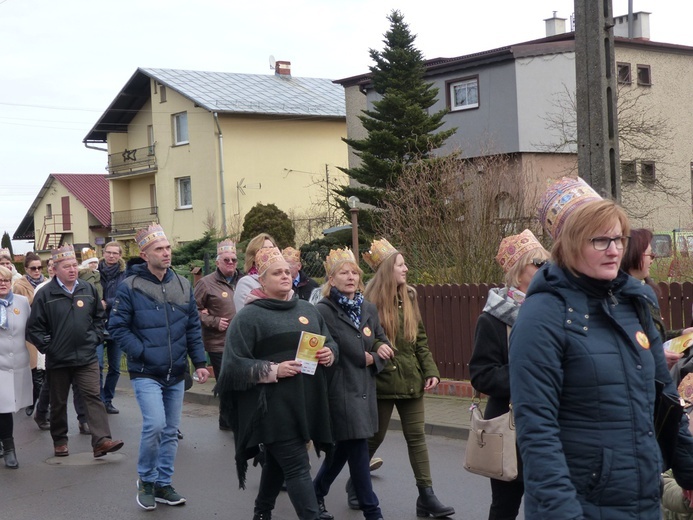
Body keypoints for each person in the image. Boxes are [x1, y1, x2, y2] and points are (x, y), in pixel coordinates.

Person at [510, 194, 693, 518]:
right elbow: (537, 430)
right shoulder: (542, 315)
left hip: (641, 498)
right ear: (569, 244)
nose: (614, 249)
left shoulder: (633, 304)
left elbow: (664, 398)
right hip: (580, 504)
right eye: (600, 240)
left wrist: (689, 470)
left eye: (619, 238)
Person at [216, 246, 337, 520]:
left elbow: (330, 343)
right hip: (270, 408)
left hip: (304, 403)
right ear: (262, 280)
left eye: (287, 271)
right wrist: (274, 370)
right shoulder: (249, 317)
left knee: (278, 462)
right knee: (297, 465)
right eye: (277, 272)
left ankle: (261, 512)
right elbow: (232, 368)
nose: (285, 276)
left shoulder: (308, 310)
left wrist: (330, 354)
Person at [109, 223, 210, 511]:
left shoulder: (182, 284)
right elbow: (117, 328)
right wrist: (142, 352)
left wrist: (199, 362)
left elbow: (192, 326)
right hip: (146, 372)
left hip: (176, 371)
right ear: (144, 254)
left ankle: (164, 483)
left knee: (170, 430)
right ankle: (146, 480)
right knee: (155, 424)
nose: (166, 253)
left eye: (168, 248)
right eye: (159, 249)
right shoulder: (129, 286)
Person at [359, 238, 454, 518]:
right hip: (382, 381)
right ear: (389, 269)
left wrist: (431, 371)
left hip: (412, 380)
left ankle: (426, 496)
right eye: (401, 265)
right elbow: (364, 340)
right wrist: (377, 348)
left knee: (417, 438)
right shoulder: (369, 302)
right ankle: (358, 482)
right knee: (373, 439)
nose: (406, 268)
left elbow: (419, 340)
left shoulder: (410, 296)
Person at [469, 229, 550, 520]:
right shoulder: (492, 319)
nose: (545, 269)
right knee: (505, 508)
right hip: (511, 429)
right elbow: (482, 376)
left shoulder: (553, 311)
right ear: (517, 272)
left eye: (546, 263)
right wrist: (529, 374)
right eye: (537, 264)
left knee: (547, 507)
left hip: (551, 426)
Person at [313, 248, 393, 520]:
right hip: (339, 389)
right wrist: (365, 356)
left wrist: (379, 354)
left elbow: (381, 340)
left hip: (364, 391)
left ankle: (315, 493)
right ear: (331, 279)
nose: (350, 277)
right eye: (343, 273)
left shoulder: (368, 308)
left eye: (354, 272)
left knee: (341, 450)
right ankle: (373, 511)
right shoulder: (323, 311)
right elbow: (338, 348)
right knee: (358, 452)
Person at [26, 244, 123, 459]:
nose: (72, 270)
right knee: (59, 401)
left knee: (93, 396)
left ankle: (101, 441)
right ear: (56, 268)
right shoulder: (45, 294)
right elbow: (34, 327)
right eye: (67, 266)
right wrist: (48, 346)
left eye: (74, 266)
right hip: (59, 358)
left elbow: (99, 317)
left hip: (86, 356)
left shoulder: (87, 290)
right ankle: (60, 440)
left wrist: (95, 337)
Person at [621, 228, 693, 369]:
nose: (653, 260)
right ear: (634, 255)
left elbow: (655, 337)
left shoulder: (644, 292)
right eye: (650, 255)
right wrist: (655, 357)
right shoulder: (621, 298)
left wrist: (682, 333)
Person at [0, 266, 33, 468]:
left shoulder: (22, 303)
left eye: (5, 280)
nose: (2, 284)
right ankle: (9, 448)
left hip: (16, 362)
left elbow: (31, 329)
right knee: (2, 408)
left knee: (8, 407)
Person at [97, 241, 126, 414]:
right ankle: (99, 400)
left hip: (117, 324)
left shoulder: (125, 274)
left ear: (120, 255)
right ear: (104, 253)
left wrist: (106, 303)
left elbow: (125, 298)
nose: (111, 256)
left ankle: (108, 399)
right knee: (98, 365)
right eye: (109, 252)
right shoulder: (94, 272)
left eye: (115, 253)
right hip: (98, 324)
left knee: (115, 367)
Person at [234, 233, 276, 312]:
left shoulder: (280, 279)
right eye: (264, 249)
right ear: (253, 256)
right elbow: (244, 315)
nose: (269, 253)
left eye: (272, 249)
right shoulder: (246, 283)